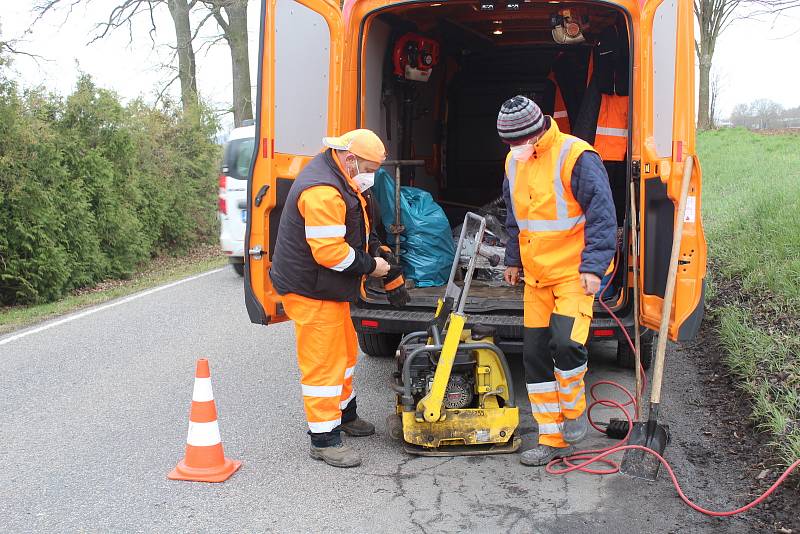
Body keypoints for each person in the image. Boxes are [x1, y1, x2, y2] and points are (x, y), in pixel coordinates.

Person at [269, 129, 408, 468]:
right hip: (310, 289)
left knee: (345, 354)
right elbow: (331, 254)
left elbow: (357, 229)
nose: (371, 176)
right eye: (369, 168)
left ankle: (345, 415)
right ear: (349, 159)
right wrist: (372, 266)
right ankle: (324, 439)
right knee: (323, 365)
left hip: (327, 289)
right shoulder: (323, 192)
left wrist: (376, 249)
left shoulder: (342, 179)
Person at [497, 96, 616, 466]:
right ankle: (551, 437)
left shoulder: (576, 156)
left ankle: (574, 411)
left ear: (537, 132)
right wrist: (513, 259)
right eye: (509, 143)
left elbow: (602, 215)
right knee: (533, 356)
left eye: (519, 142)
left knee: (565, 346)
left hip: (573, 276)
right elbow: (515, 215)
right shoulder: (514, 161)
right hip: (535, 279)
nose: (514, 149)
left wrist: (594, 269)